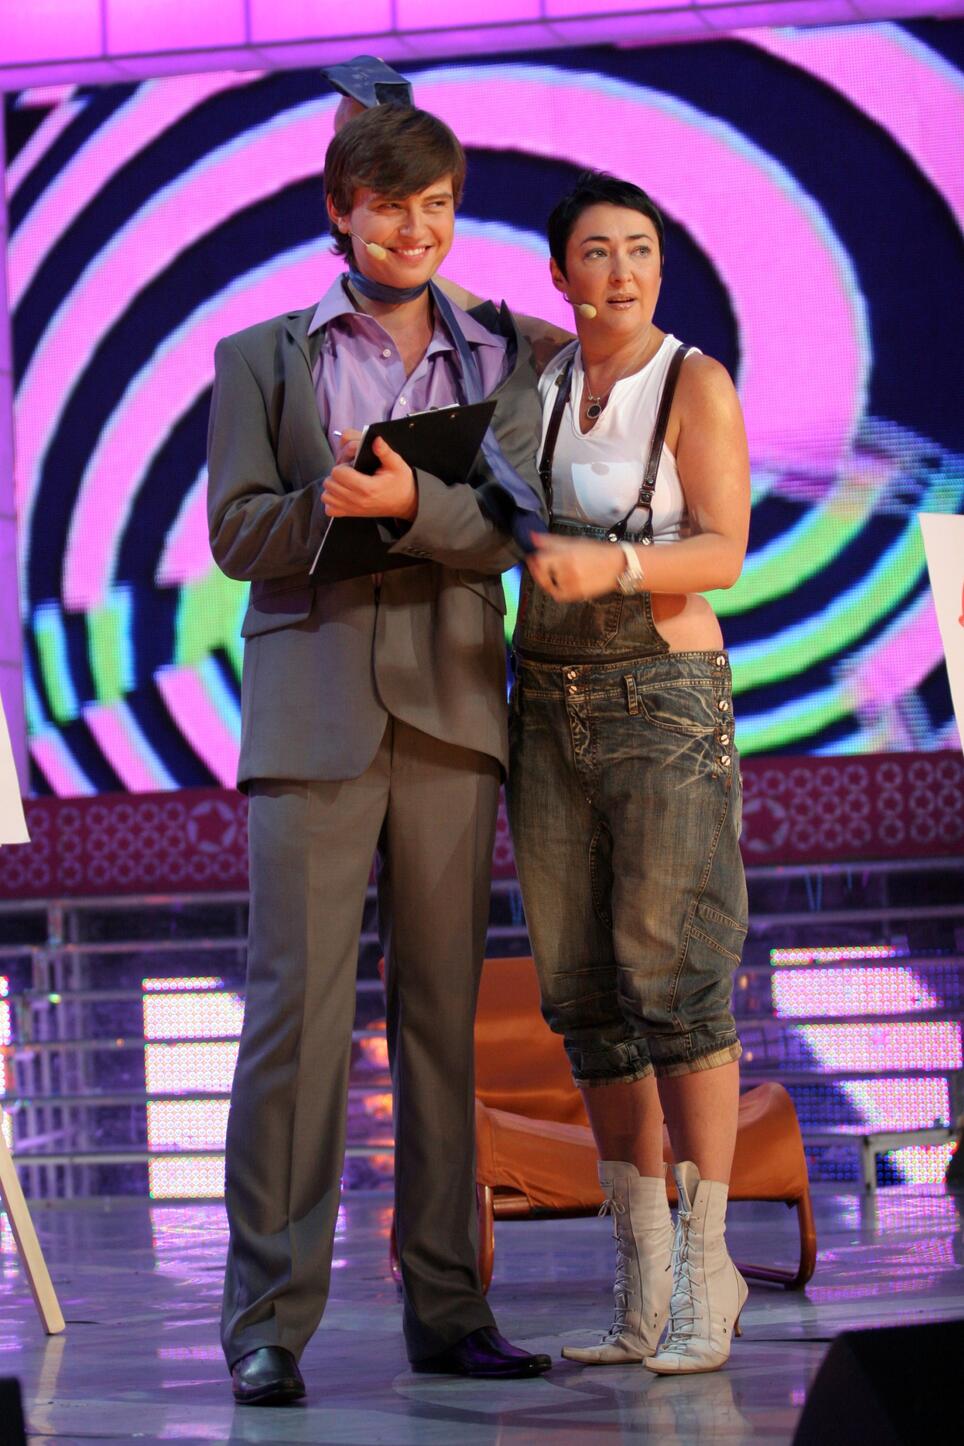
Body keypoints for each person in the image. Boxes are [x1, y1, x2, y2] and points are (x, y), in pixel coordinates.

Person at [206, 103, 550, 1406]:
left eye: (437, 205)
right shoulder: (261, 356)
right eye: (391, 204)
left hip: (452, 710)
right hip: (312, 716)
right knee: (292, 1022)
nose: (416, 228)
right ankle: (268, 1320)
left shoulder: (508, 349)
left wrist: (415, 504)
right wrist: (327, 506)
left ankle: (449, 1307)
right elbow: (236, 532)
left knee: (442, 1024)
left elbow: (521, 525)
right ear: (341, 210)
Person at [506, 171, 752, 1375]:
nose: (621, 271)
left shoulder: (691, 381)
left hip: (662, 695)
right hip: (545, 701)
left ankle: (710, 1269)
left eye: (641, 249)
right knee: (584, 992)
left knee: (673, 977)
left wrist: (612, 567)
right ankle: (641, 1275)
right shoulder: (541, 382)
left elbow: (725, 549)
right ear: (559, 274)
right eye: (597, 252)